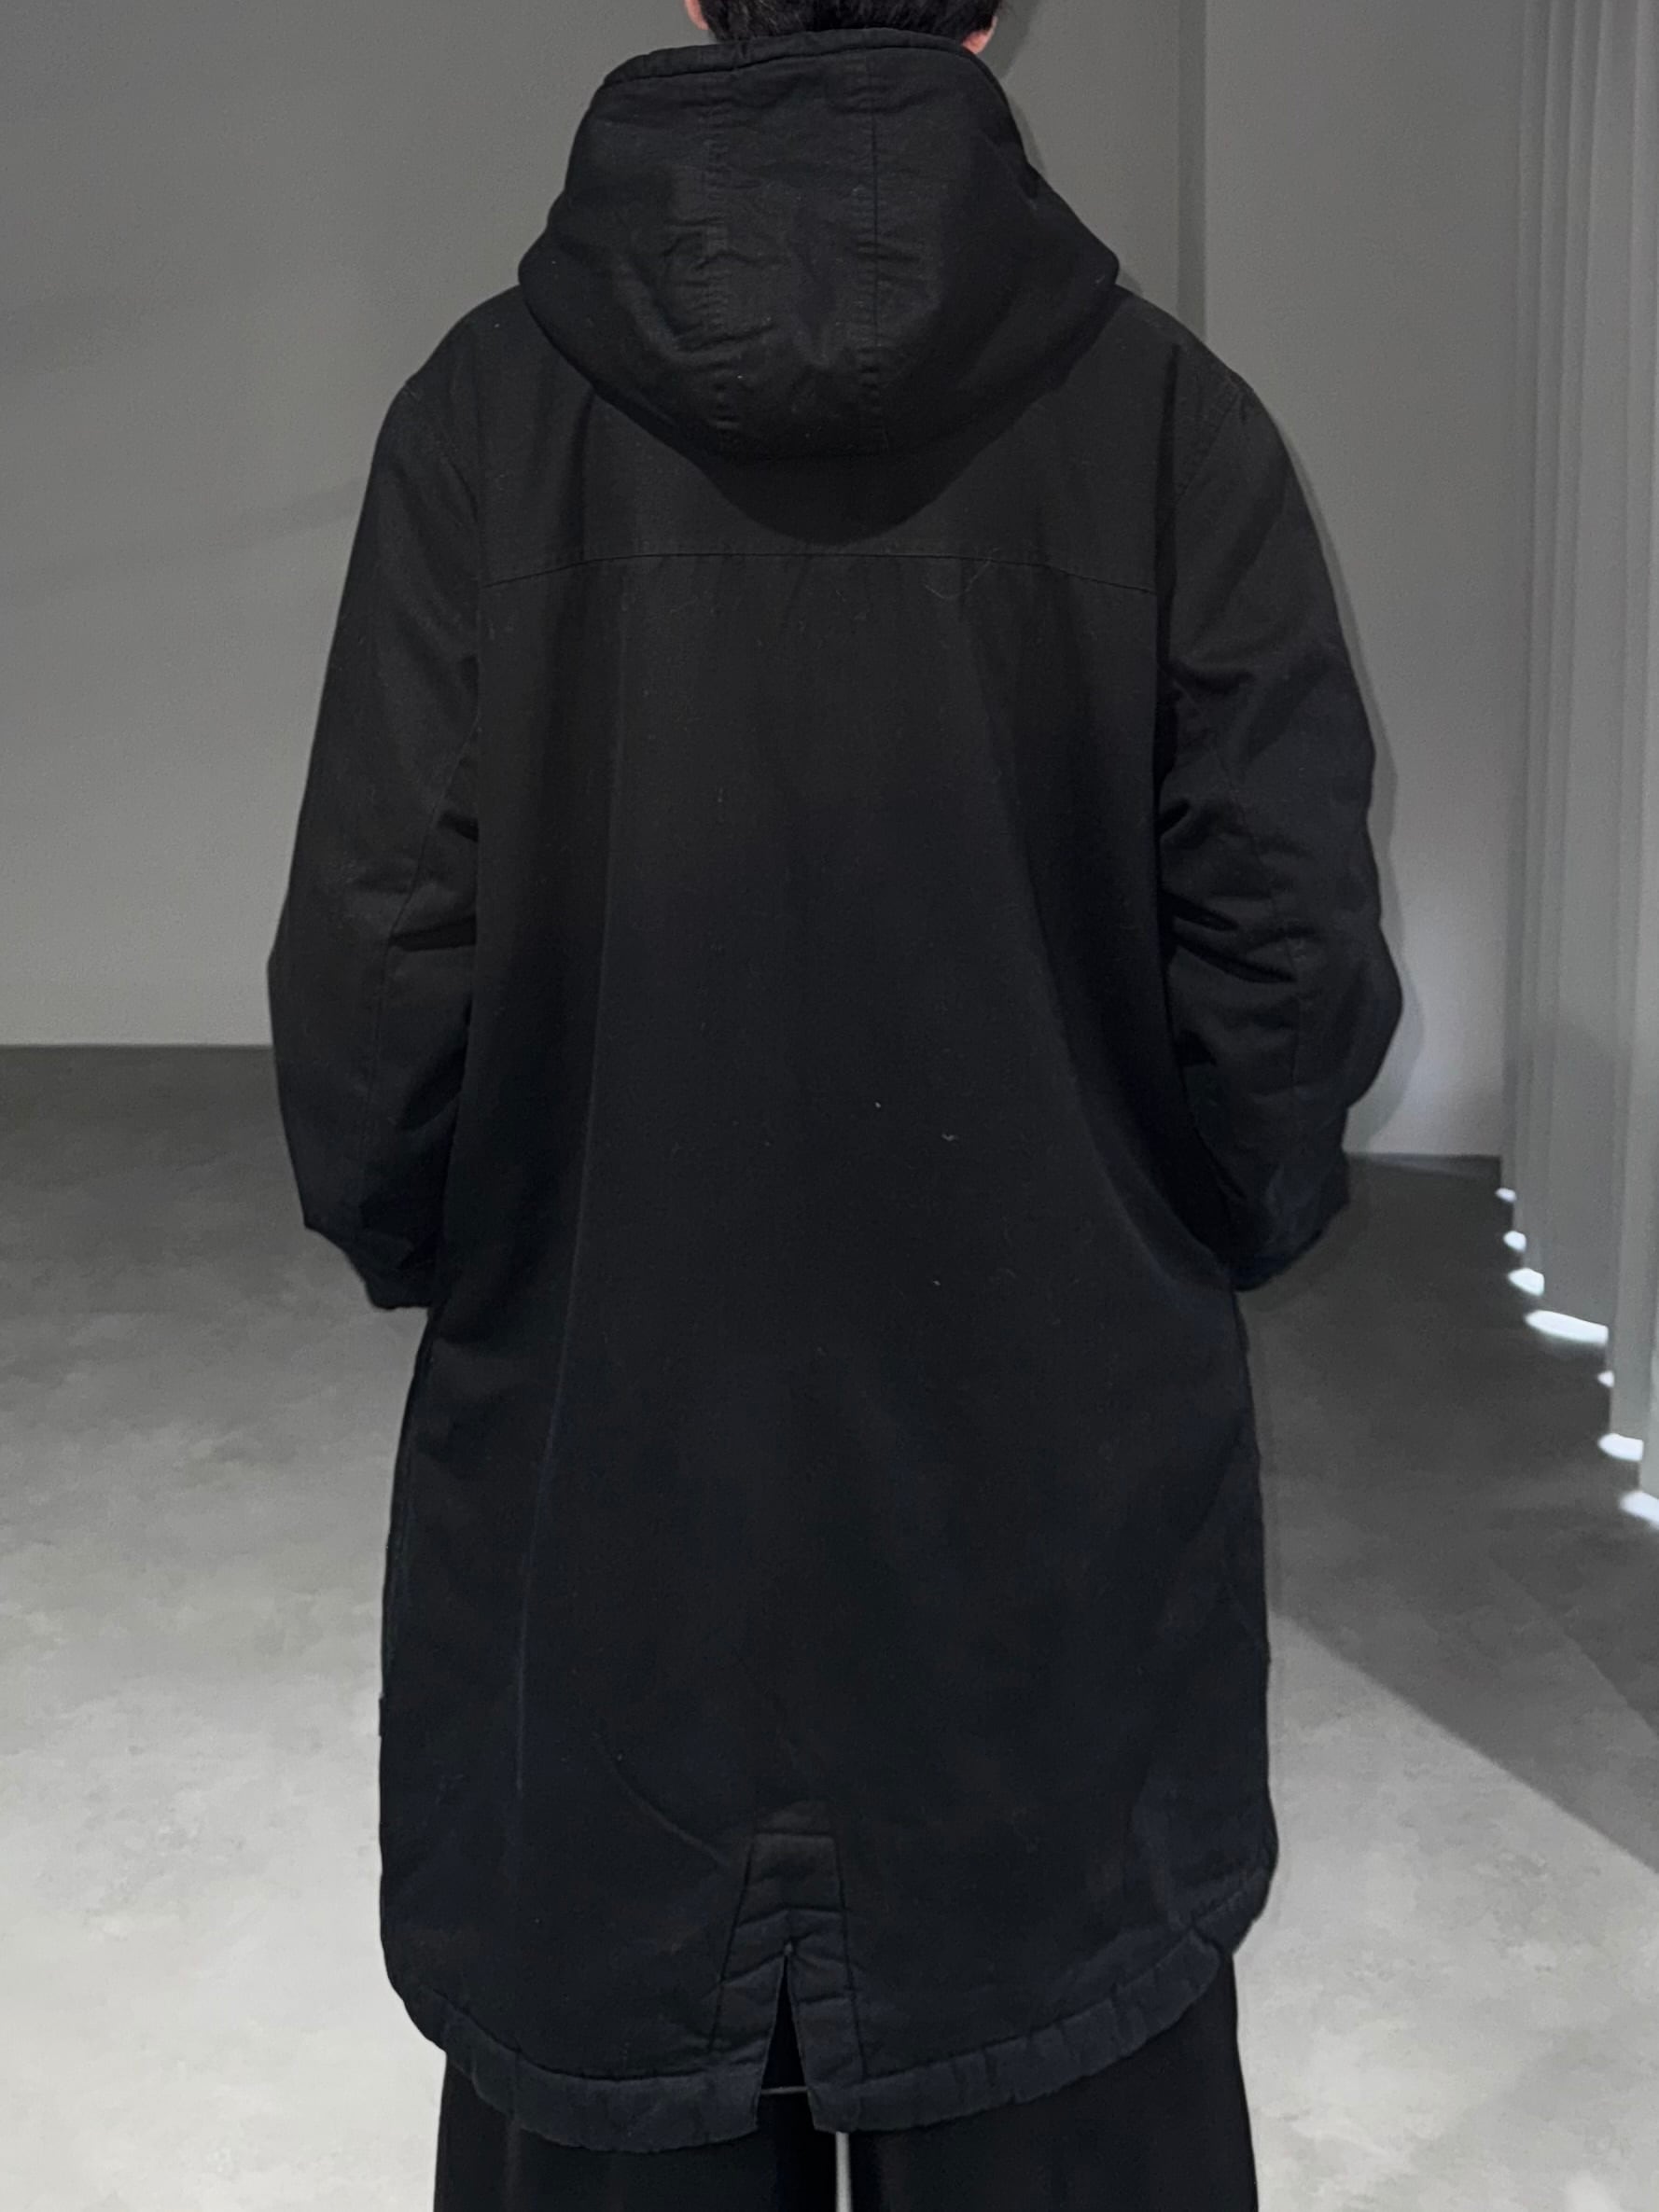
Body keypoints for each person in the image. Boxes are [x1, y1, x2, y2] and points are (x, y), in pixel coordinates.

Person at [266, 0, 1404, 2203]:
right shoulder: (1166, 417)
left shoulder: (477, 418)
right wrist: (1186, 1234)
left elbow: (375, 967)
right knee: (1064, 2055)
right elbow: (1284, 952)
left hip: (614, 1475)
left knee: (625, 2077)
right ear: (991, 7)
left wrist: (461, 1257)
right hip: (1051, 1494)